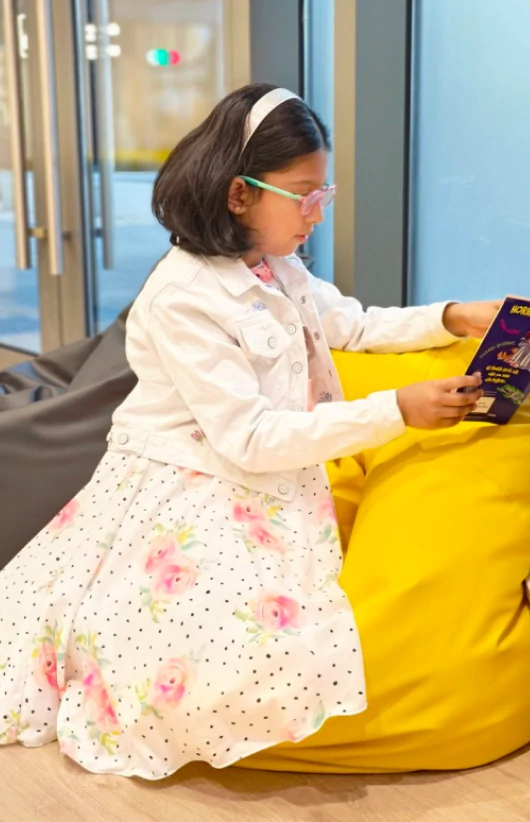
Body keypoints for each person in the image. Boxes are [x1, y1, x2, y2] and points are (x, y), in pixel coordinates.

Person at [0, 84, 499, 779]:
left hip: (260, 464)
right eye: (305, 195)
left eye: (323, 195)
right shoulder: (184, 295)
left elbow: (350, 322)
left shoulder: (275, 265)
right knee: (243, 651)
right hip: (192, 477)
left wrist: (452, 315)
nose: (316, 216)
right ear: (239, 196)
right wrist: (396, 410)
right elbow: (251, 439)